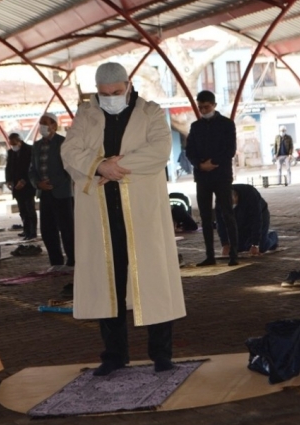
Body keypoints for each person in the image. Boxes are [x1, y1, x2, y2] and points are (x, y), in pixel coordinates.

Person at [61, 62, 186, 375]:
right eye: (104, 94)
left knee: (152, 279)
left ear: (128, 85)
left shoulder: (150, 112)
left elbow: (160, 150)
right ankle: (114, 356)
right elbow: (69, 151)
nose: (110, 98)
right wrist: (99, 165)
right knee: (108, 284)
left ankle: (162, 355)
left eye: (116, 92)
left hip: (142, 215)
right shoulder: (86, 115)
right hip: (102, 214)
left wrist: (117, 166)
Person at [185, 90, 239, 267]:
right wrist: (200, 165)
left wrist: (212, 163)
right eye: (200, 107)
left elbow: (229, 150)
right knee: (205, 217)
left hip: (221, 175)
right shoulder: (196, 127)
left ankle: (234, 254)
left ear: (214, 105)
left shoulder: (227, 124)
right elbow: (190, 151)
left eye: (206, 107)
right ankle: (210, 256)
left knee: (227, 214)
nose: (203, 110)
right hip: (202, 177)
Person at [29, 113, 74, 271]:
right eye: (41, 122)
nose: (42, 126)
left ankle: (72, 261)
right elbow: (32, 170)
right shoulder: (36, 146)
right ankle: (56, 262)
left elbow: (69, 169)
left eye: (46, 123)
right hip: (44, 193)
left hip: (61, 193)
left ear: (54, 125)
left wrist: (54, 184)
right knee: (48, 229)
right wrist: (38, 184)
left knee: (67, 228)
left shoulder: (63, 143)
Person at [216, 184, 278, 256]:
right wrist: (225, 244)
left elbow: (257, 220)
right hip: (239, 215)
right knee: (238, 247)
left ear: (236, 197)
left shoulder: (251, 193)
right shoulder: (220, 200)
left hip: (260, 213)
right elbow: (220, 223)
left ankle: (273, 235)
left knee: (262, 247)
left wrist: (255, 245)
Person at [5, 132, 37, 241]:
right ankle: (26, 230)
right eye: (11, 144)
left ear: (19, 141)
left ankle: (32, 232)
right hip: (16, 186)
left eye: (14, 143)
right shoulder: (11, 153)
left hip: (28, 185)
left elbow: (31, 168)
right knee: (22, 210)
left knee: (29, 209)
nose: (13, 146)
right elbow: (8, 167)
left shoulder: (29, 150)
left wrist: (24, 181)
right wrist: (8, 180)